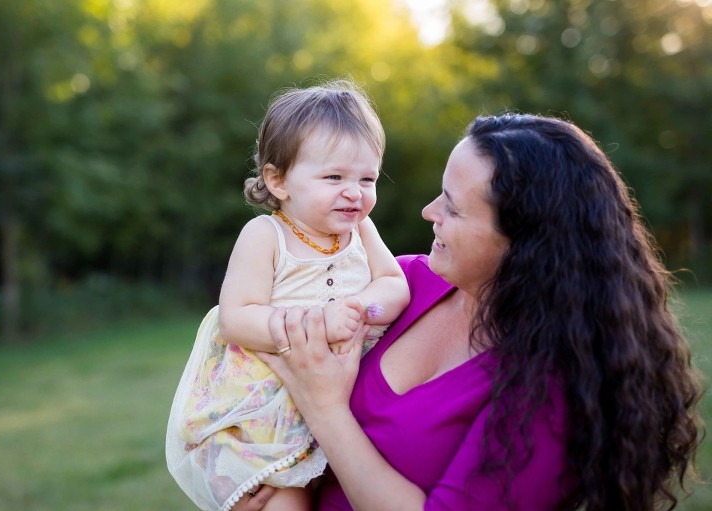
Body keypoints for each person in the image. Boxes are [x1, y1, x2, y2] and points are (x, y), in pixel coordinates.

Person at [248, 112, 704, 510]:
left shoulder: (552, 385)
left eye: (453, 207)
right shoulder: (400, 286)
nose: (429, 212)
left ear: (525, 242)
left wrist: (326, 410)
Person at [165, 79, 410, 511]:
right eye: (334, 176)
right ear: (278, 181)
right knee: (283, 500)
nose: (354, 192)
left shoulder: (360, 230)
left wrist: (358, 308)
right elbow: (236, 318)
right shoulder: (266, 235)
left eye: (367, 178)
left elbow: (394, 284)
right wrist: (315, 322)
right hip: (265, 408)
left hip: (337, 398)